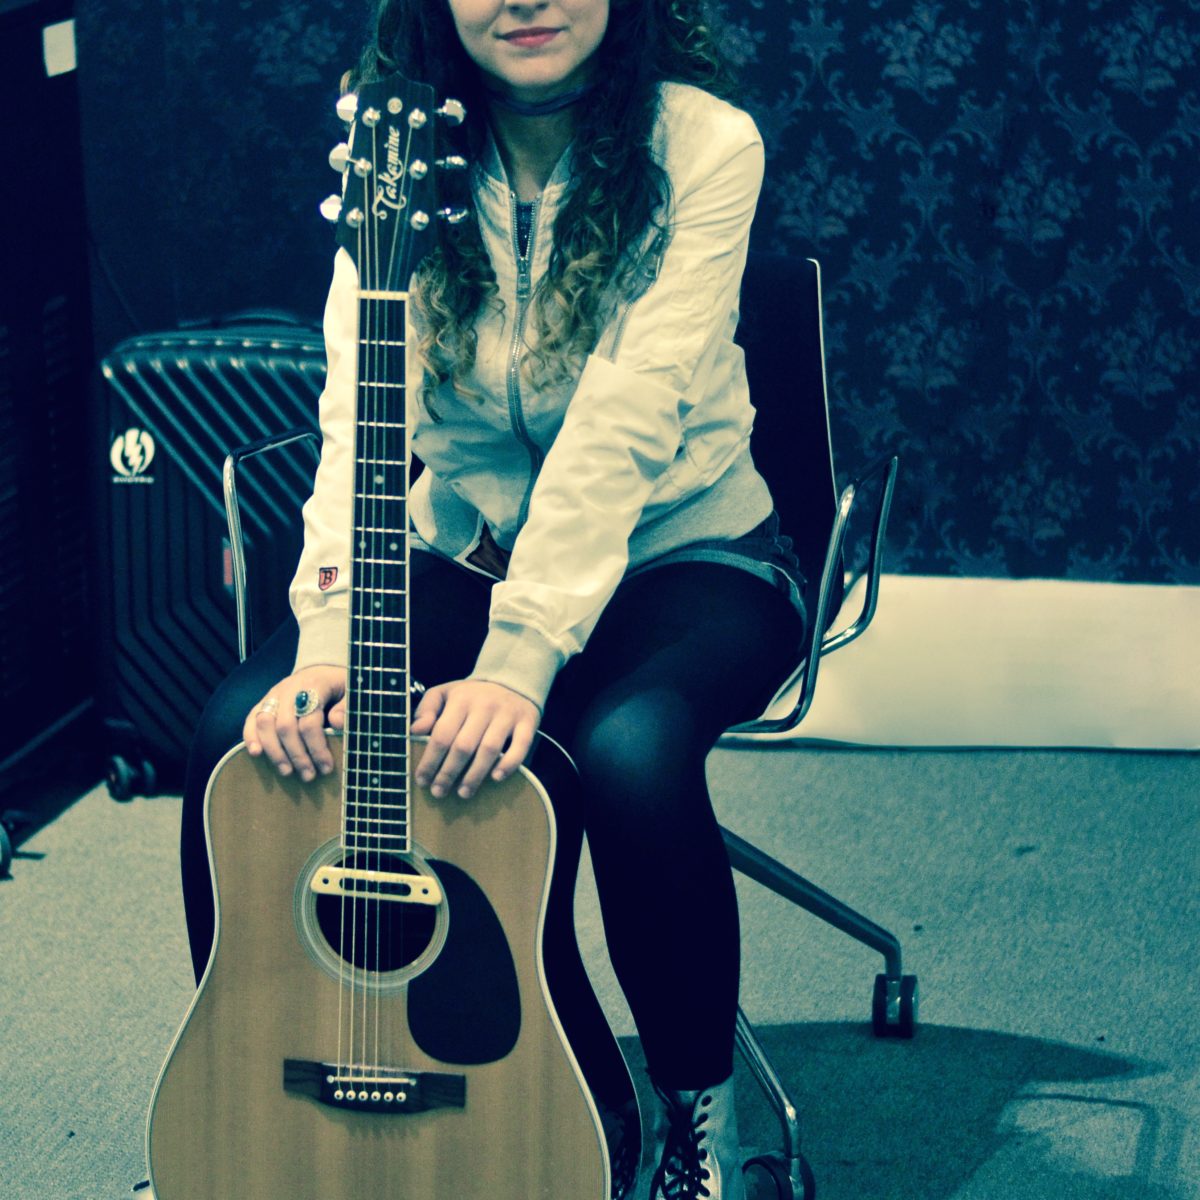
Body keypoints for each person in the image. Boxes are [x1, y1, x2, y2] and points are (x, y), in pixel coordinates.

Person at [179, 1, 808, 1197]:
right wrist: (327, 641)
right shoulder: (398, 144)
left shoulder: (704, 144)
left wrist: (521, 657)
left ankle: (697, 1122)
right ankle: (255, 1079)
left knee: (626, 752)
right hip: (470, 545)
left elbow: (628, 418)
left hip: (687, 549)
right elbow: (359, 411)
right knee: (241, 741)